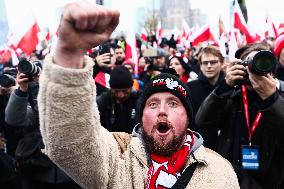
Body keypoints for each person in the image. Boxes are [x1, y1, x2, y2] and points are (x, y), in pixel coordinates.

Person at [38, 2, 239, 189]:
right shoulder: (117, 157)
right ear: (141, 117)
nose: (162, 110)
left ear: (187, 117)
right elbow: (70, 144)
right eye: (152, 104)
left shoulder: (220, 172)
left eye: (173, 104)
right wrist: (69, 54)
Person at [195, 43, 284, 189]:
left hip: (272, 179)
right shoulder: (231, 94)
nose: (254, 72)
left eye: (260, 65)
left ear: (270, 68)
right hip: (233, 177)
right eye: (249, 66)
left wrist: (271, 99)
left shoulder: (280, 95)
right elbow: (202, 120)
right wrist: (224, 86)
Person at [5, 60, 82, 189]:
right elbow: (14, 119)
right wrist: (21, 90)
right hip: (36, 170)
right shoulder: (28, 99)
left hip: (68, 172)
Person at [186, 45, 225, 150]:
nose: (208, 66)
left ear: (221, 63)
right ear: (200, 65)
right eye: (205, 63)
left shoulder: (229, 87)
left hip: (224, 145)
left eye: (213, 62)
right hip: (199, 146)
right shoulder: (190, 88)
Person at [97, 65, 140, 133]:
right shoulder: (103, 101)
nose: (121, 95)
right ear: (111, 89)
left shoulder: (140, 100)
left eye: (124, 91)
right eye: (116, 91)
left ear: (131, 87)